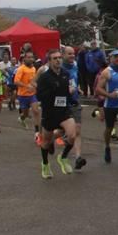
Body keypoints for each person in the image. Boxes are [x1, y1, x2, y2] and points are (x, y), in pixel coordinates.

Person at [35, 49, 78, 179]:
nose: (58, 60)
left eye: (59, 57)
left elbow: (67, 90)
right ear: (49, 61)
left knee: (72, 135)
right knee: (46, 142)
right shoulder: (44, 77)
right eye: (55, 58)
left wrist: (71, 96)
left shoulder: (65, 74)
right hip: (49, 112)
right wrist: (54, 88)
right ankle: (45, 163)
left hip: (64, 110)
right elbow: (39, 96)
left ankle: (63, 157)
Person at [62, 46, 87, 170]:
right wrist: (66, 91)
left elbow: (74, 81)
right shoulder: (58, 69)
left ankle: (78, 158)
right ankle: (47, 140)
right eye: (69, 54)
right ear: (63, 55)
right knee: (59, 132)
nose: (72, 56)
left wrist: (78, 89)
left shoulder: (75, 67)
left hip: (75, 103)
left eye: (73, 54)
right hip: (62, 105)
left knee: (77, 131)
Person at [14, 51, 41, 142]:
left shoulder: (33, 68)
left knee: (36, 111)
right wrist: (26, 86)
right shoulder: (21, 69)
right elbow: (16, 81)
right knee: (25, 114)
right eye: (28, 57)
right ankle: (22, 118)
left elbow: (34, 80)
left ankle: (37, 133)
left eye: (31, 57)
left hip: (32, 94)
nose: (30, 59)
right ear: (24, 58)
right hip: (22, 95)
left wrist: (35, 86)